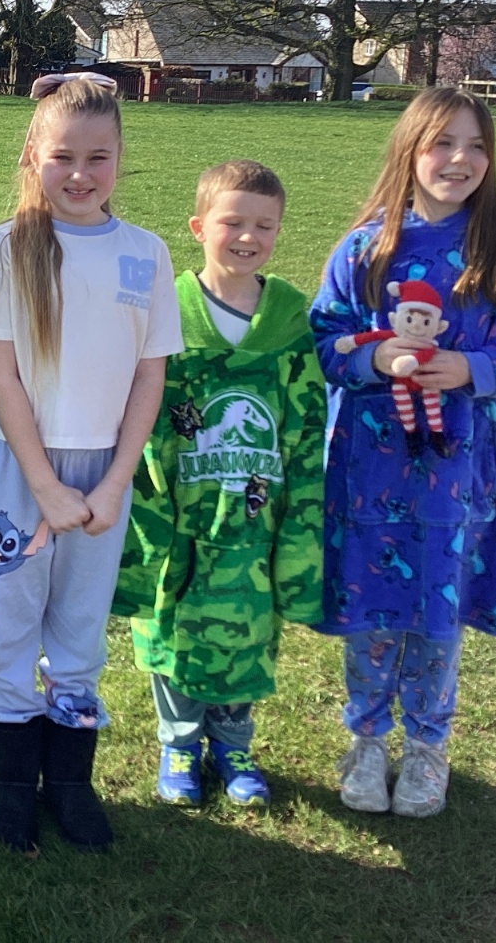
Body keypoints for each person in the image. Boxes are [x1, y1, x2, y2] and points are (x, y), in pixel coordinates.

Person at [310, 86, 496, 818]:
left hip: (460, 476)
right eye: (443, 143)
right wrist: (374, 358)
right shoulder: (365, 249)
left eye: (476, 145)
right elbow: (325, 341)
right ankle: (365, 740)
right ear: (409, 151)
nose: (460, 159)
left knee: (437, 612)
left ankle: (427, 747)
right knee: (372, 606)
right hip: (370, 473)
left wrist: (473, 369)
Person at [0, 72, 179, 854]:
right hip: (21, 470)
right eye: (63, 156)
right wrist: (46, 486)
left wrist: (116, 480)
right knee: (11, 624)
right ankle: (11, 786)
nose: (81, 174)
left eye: (98, 158)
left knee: (81, 630)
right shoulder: (4, 248)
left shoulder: (145, 254)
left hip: (104, 475)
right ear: (33, 154)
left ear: (120, 158)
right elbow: (3, 378)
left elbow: (149, 376)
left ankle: (70, 784)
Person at [110, 160, 325, 810]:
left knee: (247, 627)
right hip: (183, 512)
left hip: (255, 516)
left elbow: (305, 423)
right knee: (174, 629)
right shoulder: (168, 311)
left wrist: (302, 511)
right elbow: (141, 406)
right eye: (232, 222)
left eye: (265, 226)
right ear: (199, 227)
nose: (248, 237)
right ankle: (179, 743)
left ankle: (233, 746)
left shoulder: (289, 320)